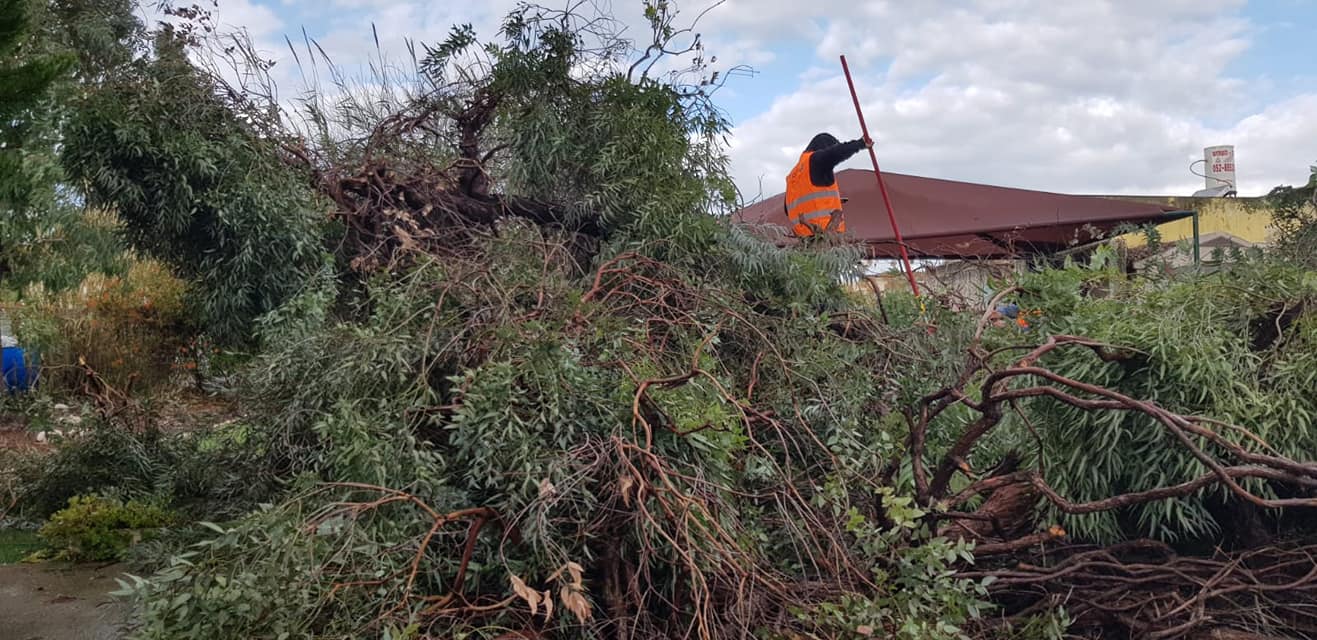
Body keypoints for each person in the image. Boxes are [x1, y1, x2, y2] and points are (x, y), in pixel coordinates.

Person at [784, 132, 873, 238]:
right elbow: (836, 153)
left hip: (803, 236)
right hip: (824, 232)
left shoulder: (794, 175)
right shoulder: (816, 160)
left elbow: (788, 208)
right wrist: (860, 143)